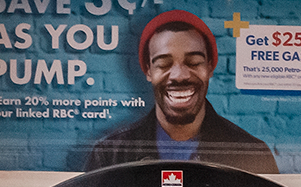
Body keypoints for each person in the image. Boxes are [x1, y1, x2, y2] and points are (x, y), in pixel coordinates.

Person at [85, 10, 279, 174]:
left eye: (194, 62)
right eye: (163, 64)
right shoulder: (109, 155)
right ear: (148, 71)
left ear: (211, 67)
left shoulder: (252, 154)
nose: (179, 75)